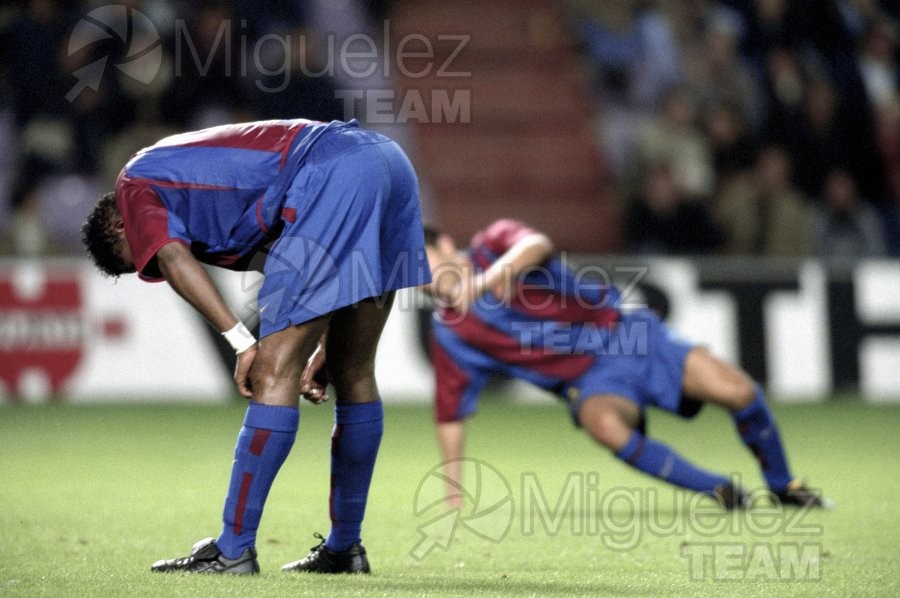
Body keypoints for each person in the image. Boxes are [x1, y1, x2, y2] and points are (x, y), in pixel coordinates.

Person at [81, 118, 431, 574]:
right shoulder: (198, 194)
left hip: (331, 170)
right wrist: (325, 336)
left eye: (139, 258)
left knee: (270, 372)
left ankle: (233, 549)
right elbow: (302, 258)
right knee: (353, 369)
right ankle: (345, 548)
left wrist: (241, 342)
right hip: (386, 160)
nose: (153, 263)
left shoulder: (133, 184)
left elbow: (170, 256)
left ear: (117, 226)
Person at [422, 219, 830, 511]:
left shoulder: (494, 242)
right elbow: (450, 414)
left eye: (422, 263)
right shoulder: (451, 332)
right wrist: (453, 491)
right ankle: (719, 490)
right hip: (590, 379)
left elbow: (538, 244)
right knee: (602, 423)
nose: (424, 280)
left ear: (444, 244)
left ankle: (784, 485)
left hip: (630, 334)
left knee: (740, 393)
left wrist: (491, 277)